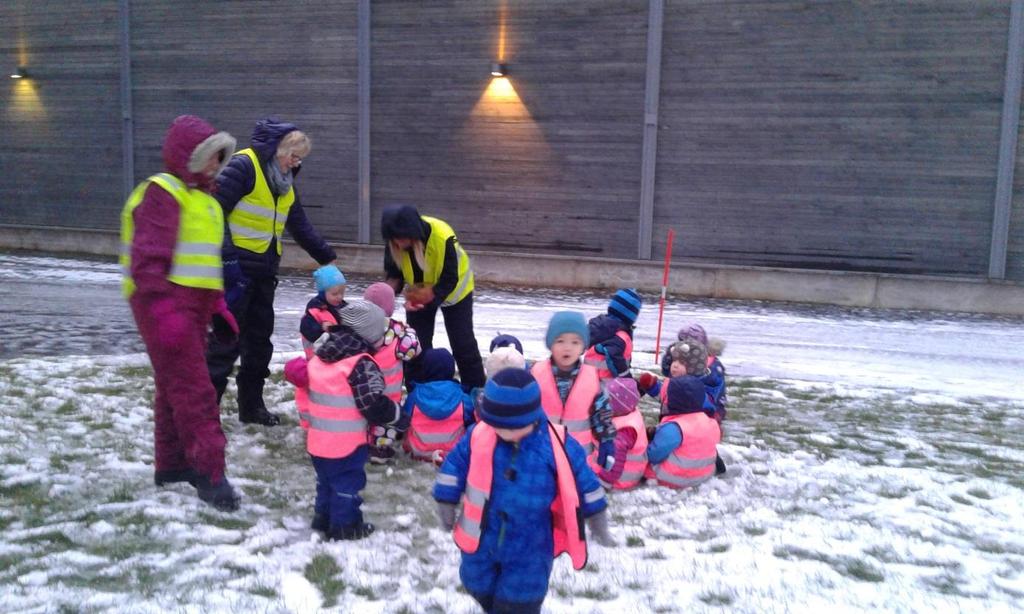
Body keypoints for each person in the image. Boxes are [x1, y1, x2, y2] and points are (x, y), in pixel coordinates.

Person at [120, 115, 241, 511]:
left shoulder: (205, 201)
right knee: (195, 391)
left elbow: (206, 267)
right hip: (164, 309)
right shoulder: (163, 192)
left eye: (219, 158)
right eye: (208, 157)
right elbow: (149, 261)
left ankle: (172, 465)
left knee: (174, 388)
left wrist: (218, 309)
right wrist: (164, 314)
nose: (214, 165)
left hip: (191, 311)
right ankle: (210, 474)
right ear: (187, 156)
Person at [433, 368, 613, 614]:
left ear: (532, 417)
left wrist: (598, 521)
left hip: (531, 546)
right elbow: (454, 464)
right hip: (481, 537)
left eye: (512, 427)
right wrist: (446, 500)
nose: (503, 433)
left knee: (520, 601)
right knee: (475, 582)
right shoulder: (480, 434)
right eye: (497, 425)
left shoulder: (556, 446)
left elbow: (587, 484)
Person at [206, 117, 338, 427]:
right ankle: (205, 412)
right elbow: (214, 213)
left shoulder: (285, 182)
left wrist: (326, 258)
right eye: (293, 155)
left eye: (300, 158)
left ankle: (251, 408)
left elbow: (299, 224)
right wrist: (227, 259)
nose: (296, 162)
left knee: (259, 343)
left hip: (264, 273)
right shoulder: (244, 167)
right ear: (276, 149)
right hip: (235, 273)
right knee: (225, 344)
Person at [283, 301, 407, 540]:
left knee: (326, 483)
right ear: (368, 335)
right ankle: (345, 527)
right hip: (346, 445)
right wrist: (399, 418)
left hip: (318, 442)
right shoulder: (360, 365)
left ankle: (322, 519)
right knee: (347, 487)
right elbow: (372, 404)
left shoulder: (321, 357)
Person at [380, 204, 485, 391]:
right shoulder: (395, 242)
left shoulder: (442, 236)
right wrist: (384, 296)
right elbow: (394, 275)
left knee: (463, 344)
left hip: (455, 292)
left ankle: (475, 392)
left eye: (401, 239)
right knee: (414, 345)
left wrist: (429, 300)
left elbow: (449, 279)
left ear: (412, 233)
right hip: (419, 296)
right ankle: (417, 392)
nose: (398, 244)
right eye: (393, 240)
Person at [530, 311, 617, 476]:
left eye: (575, 342)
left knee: (575, 497)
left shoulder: (592, 378)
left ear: (583, 347)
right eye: (560, 341)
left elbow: (602, 413)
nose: (567, 347)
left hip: (578, 456)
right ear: (550, 344)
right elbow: (524, 409)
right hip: (542, 454)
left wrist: (606, 441)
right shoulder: (535, 374)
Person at [363, 281, 421, 464]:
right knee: (386, 422)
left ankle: (359, 444)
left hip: (361, 390)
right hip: (389, 393)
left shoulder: (357, 327)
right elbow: (412, 351)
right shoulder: (397, 332)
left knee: (362, 417)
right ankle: (380, 449)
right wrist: (410, 332)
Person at [645, 375, 722, 489]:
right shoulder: (710, 422)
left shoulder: (674, 427)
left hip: (674, 479)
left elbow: (653, 455)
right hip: (705, 476)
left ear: (672, 401)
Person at [402, 349, 475, 463]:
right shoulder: (462, 397)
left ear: (425, 369)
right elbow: (472, 419)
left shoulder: (414, 396)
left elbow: (404, 419)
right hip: (453, 451)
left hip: (418, 451)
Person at [596, 377, 649, 490]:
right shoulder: (630, 413)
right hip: (631, 470)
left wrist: (603, 481)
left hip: (622, 478)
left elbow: (615, 461)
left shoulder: (624, 431)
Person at [584, 289, 642, 379]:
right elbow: (614, 357)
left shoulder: (599, 326)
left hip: (588, 378)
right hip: (606, 383)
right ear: (631, 316)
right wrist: (627, 379)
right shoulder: (620, 336)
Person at [299, 264, 348, 358]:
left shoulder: (343, 306)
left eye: (342, 293)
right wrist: (321, 327)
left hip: (335, 352)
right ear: (322, 293)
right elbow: (305, 328)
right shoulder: (315, 308)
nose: (339, 297)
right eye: (335, 294)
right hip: (317, 354)